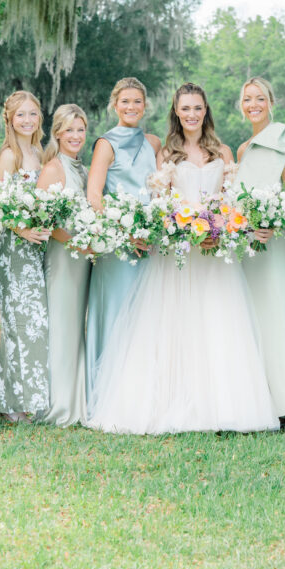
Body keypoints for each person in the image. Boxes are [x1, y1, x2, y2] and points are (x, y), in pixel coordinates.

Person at [85, 82, 278, 434]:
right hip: (176, 253)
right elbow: (161, 204)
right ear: (176, 111)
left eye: (197, 108)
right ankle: (171, 402)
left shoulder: (223, 153)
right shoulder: (166, 153)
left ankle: (220, 406)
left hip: (213, 254)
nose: (191, 114)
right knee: (174, 326)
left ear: (206, 111)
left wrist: (218, 228)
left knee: (217, 325)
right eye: (185, 108)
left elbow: (231, 202)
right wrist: (181, 228)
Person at [85, 77, 160, 403]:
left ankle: (139, 394)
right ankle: (105, 395)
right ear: (115, 105)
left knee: (145, 314)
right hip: (117, 245)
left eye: (137, 102)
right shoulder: (106, 143)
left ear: (145, 106)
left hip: (147, 241)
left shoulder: (153, 142)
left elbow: (159, 188)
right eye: (125, 101)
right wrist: (121, 231)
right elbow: (94, 194)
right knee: (116, 312)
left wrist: (152, 227)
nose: (131, 107)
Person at [236, 76, 285, 421]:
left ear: (270, 101)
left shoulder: (284, 137)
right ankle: (260, 401)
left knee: (279, 315)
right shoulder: (242, 149)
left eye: (259, 98)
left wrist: (273, 223)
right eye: (247, 99)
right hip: (248, 245)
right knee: (255, 318)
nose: (253, 105)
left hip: (276, 239)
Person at [0, 90, 50, 423]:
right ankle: (10, 404)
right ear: (10, 120)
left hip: (38, 249)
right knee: (18, 326)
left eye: (32, 114)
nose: (27, 120)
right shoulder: (9, 156)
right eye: (21, 115)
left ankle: (30, 398)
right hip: (15, 251)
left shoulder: (38, 151)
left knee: (34, 326)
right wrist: (22, 230)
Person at [38, 104, 91, 427]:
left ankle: (77, 398)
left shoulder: (80, 169)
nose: (75, 136)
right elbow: (45, 222)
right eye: (69, 130)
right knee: (62, 326)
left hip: (83, 259)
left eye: (81, 130)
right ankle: (59, 404)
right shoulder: (54, 168)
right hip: (64, 257)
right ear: (57, 132)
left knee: (76, 327)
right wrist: (75, 243)